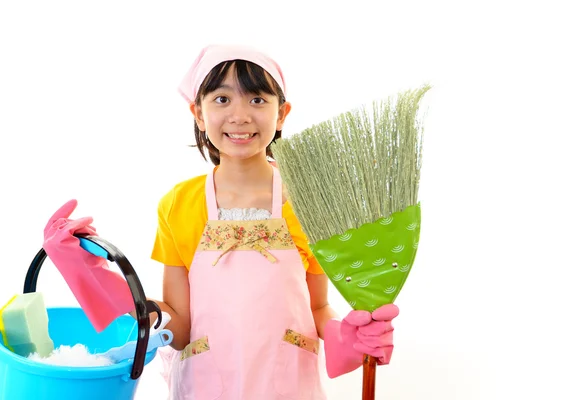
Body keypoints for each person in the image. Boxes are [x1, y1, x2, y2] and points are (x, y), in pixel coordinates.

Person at [43, 44, 400, 400]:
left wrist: (345, 336)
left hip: (289, 385)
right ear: (198, 113)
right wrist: (97, 277)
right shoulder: (179, 204)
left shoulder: (309, 199)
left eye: (257, 99)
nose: (240, 115)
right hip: (206, 386)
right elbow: (180, 326)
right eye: (222, 99)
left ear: (282, 113)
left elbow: (317, 306)